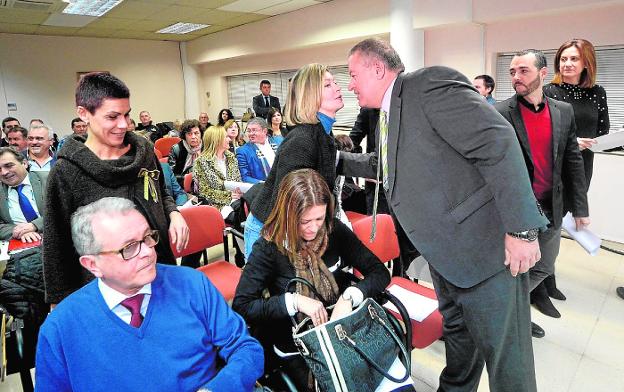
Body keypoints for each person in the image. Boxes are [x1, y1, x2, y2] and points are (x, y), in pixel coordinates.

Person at [341, 38, 547, 392]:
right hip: (445, 256)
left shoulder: (428, 86)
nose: (350, 85)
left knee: (506, 359)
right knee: (460, 343)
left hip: (483, 252)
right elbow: (387, 168)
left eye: (352, 74)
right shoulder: (388, 113)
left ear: (377, 69)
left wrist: (522, 230)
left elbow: (498, 141)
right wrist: (335, 160)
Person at [35, 197, 263, 392]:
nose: (147, 252)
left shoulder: (191, 283)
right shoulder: (60, 328)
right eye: (129, 247)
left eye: (147, 237)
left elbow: (246, 348)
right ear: (92, 265)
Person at [233, 169, 389, 391]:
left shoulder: (334, 231)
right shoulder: (268, 248)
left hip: (341, 332)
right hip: (295, 342)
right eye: (304, 221)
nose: (314, 228)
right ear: (287, 215)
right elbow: (243, 305)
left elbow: (379, 272)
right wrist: (293, 301)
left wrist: (350, 296)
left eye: (319, 218)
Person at [43, 72, 189, 306]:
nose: (124, 124)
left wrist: (173, 213)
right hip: (108, 290)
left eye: (127, 114)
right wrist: (58, 303)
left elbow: (160, 190)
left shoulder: (143, 152)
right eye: (112, 116)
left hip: (158, 268)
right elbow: (56, 244)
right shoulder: (66, 172)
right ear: (83, 114)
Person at [496, 49, 589, 335]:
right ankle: (510, 319)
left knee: (543, 267)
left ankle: (512, 309)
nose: (516, 77)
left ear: (543, 73)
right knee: (514, 271)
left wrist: (581, 210)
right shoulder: (500, 113)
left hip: (552, 207)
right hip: (519, 212)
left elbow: (572, 159)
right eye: (512, 72)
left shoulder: (562, 112)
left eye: (523, 71)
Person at [244, 64, 344, 259]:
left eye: (335, 82)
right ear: (309, 96)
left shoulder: (322, 132)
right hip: (269, 232)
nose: (338, 87)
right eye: (327, 85)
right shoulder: (302, 139)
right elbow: (288, 206)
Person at [542, 38, 610, 302]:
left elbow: (602, 128)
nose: (567, 64)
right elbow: (541, 133)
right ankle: (542, 282)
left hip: (582, 166)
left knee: (561, 221)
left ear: (586, 63)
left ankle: (547, 275)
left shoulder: (598, 92)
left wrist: (595, 141)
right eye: (563, 59)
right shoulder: (549, 91)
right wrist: (571, 141)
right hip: (555, 166)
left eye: (574, 59)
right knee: (548, 224)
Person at [0, 147, 46, 242]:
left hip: (58, 237)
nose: (4, 172)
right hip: (22, 245)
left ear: (24, 163)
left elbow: (66, 210)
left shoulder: (49, 179)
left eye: (9, 166)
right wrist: (19, 231)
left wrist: (35, 225)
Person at [194, 126, 243, 214]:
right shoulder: (201, 162)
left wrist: (239, 192)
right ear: (217, 140)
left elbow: (238, 181)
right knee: (241, 212)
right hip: (216, 205)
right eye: (226, 137)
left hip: (237, 201)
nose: (229, 139)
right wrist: (228, 196)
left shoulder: (231, 158)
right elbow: (204, 192)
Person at [235, 117, 281, 185]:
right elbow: (245, 177)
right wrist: (265, 185)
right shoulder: (243, 151)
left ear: (264, 131)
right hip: (262, 190)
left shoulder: (279, 141)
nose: (251, 134)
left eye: (254, 130)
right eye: (249, 131)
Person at [168, 119, 203, 187]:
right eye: (189, 134)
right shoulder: (176, 149)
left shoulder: (207, 147)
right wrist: (188, 178)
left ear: (201, 134)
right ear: (184, 136)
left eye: (196, 133)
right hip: (182, 185)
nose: (193, 137)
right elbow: (170, 176)